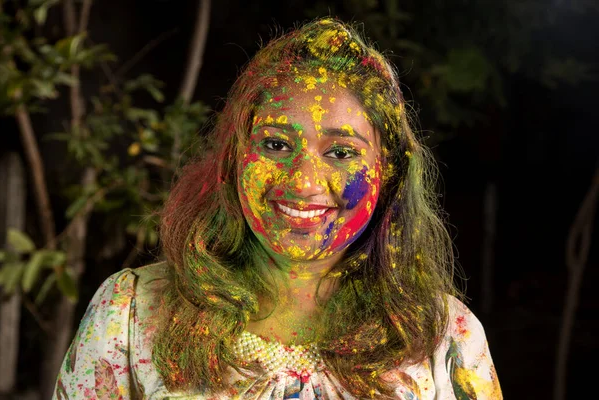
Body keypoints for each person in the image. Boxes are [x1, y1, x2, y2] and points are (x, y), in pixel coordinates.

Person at [53, 18, 502, 399]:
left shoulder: (446, 338)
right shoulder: (131, 314)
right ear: (234, 157)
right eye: (275, 144)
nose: (303, 182)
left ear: (387, 171)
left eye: (342, 152)